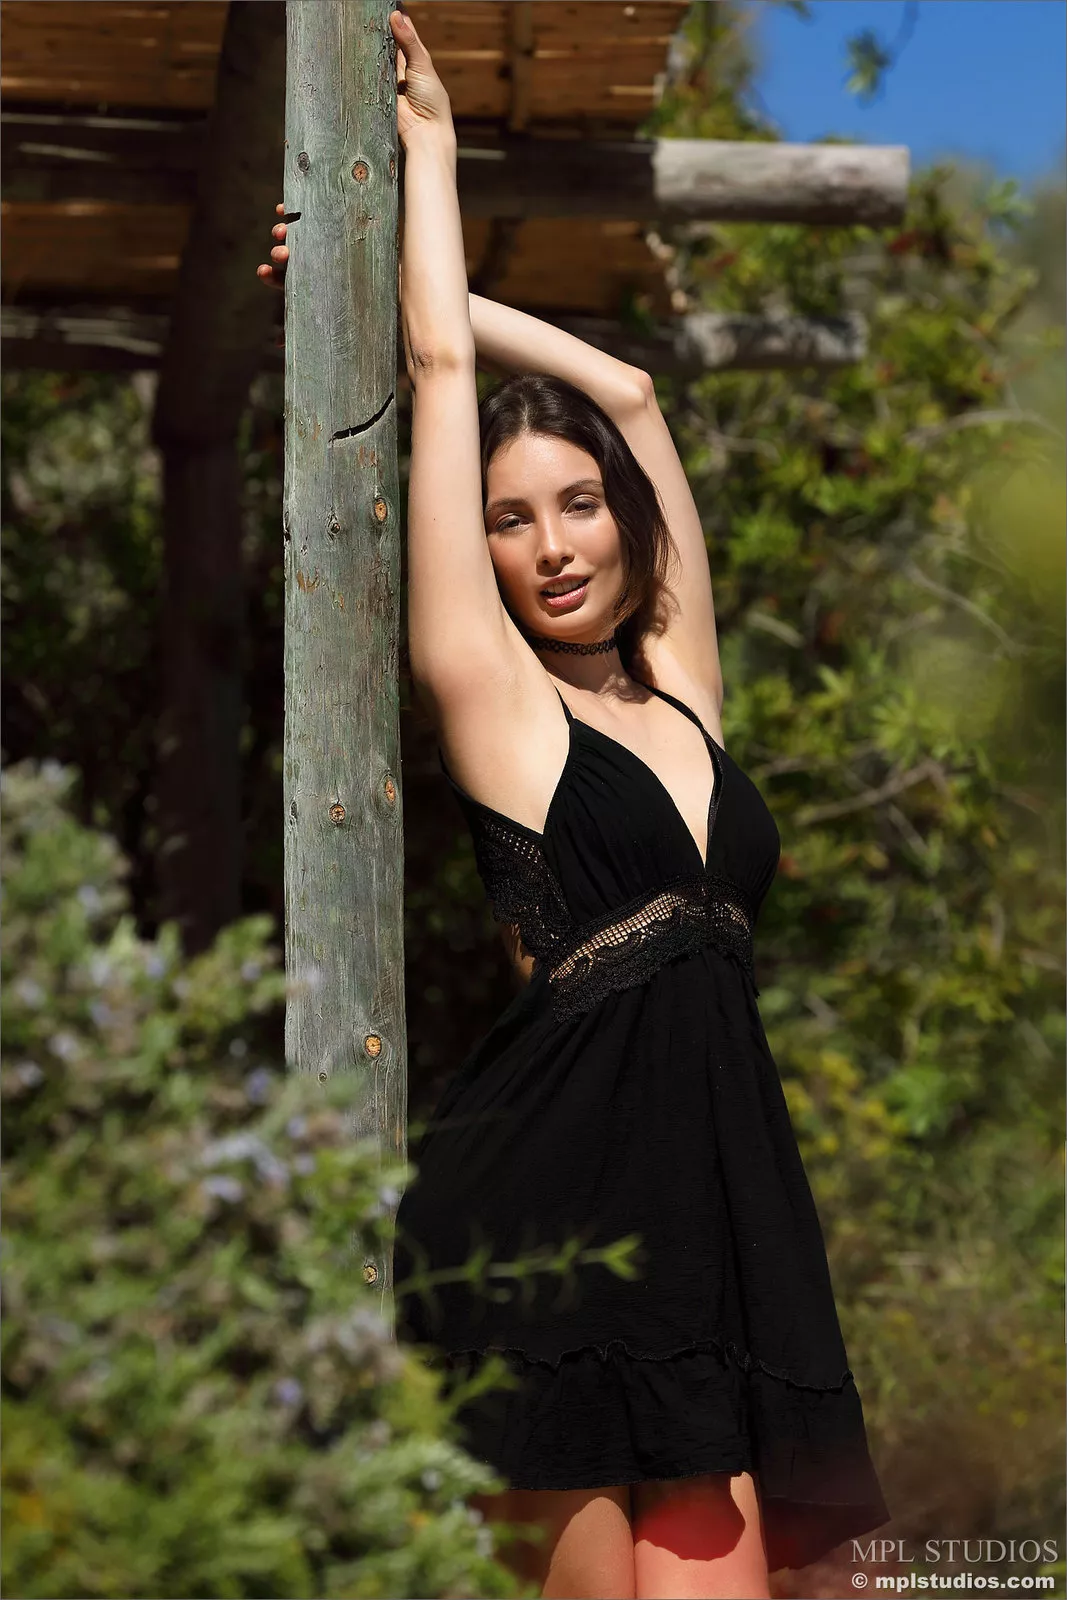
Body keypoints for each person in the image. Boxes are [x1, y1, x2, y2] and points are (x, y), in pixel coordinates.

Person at [258, 10, 891, 1597]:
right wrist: (418, 162)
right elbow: (439, 370)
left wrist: (408, 281)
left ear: (622, 523)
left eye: (578, 505)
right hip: (551, 1207)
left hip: (718, 1213)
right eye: (508, 521)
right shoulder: (494, 694)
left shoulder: (682, 697)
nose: (550, 547)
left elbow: (628, 387)